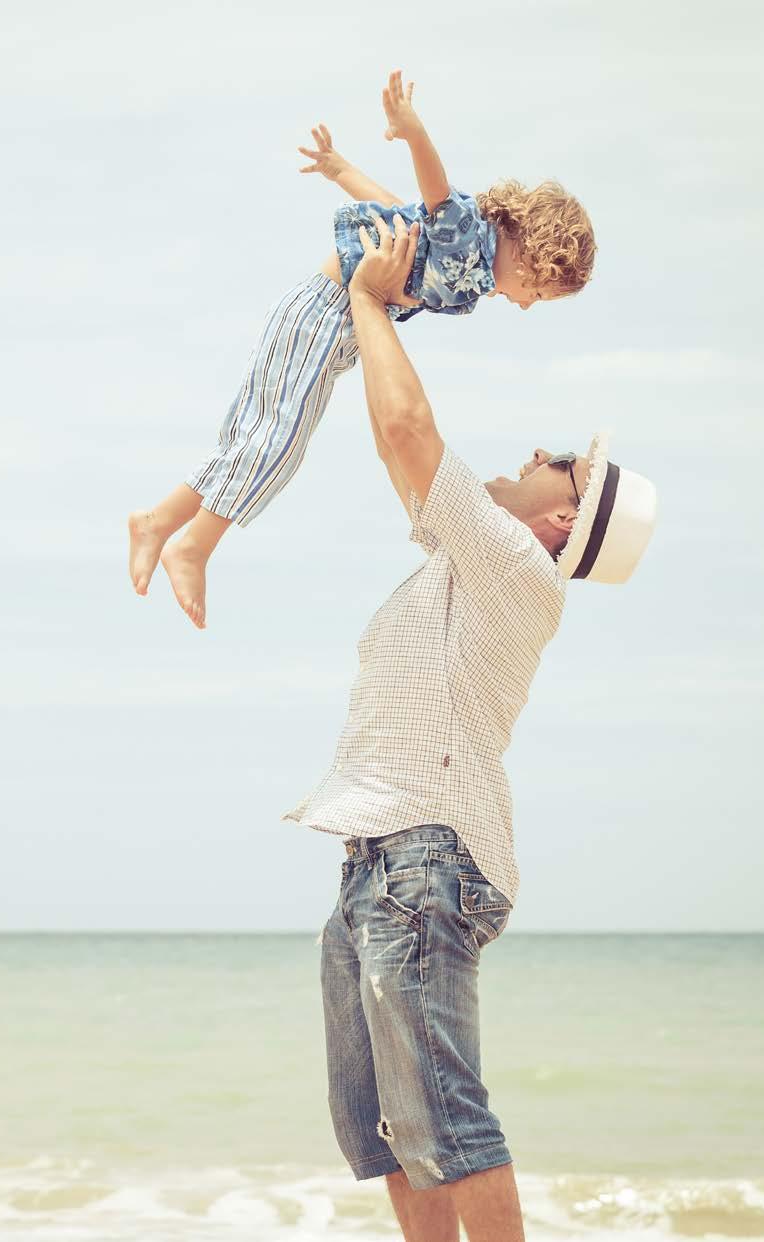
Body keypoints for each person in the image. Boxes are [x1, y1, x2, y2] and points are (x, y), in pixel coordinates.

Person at [283, 214, 656, 1242]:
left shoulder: (514, 567)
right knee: (396, 1132)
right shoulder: (474, 559)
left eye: (565, 466)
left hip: (426, 858)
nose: (540, 453)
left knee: (447, 1122)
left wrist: (368, 303)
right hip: (379, 856)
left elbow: (410, 438)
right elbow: (406, 461)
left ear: (558, 525)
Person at [127, 70, 595, 628]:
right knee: (276, 443)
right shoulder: (471, 239)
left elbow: (396, 210)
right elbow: (433, 193)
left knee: (259, 438)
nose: (526, 305)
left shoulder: (465, 268)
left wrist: (340, 170)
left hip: (334, 328)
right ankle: (195, 545)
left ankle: (159, 521)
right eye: (538, 292)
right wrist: (413, 132)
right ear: (533, 257)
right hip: (323, 317)